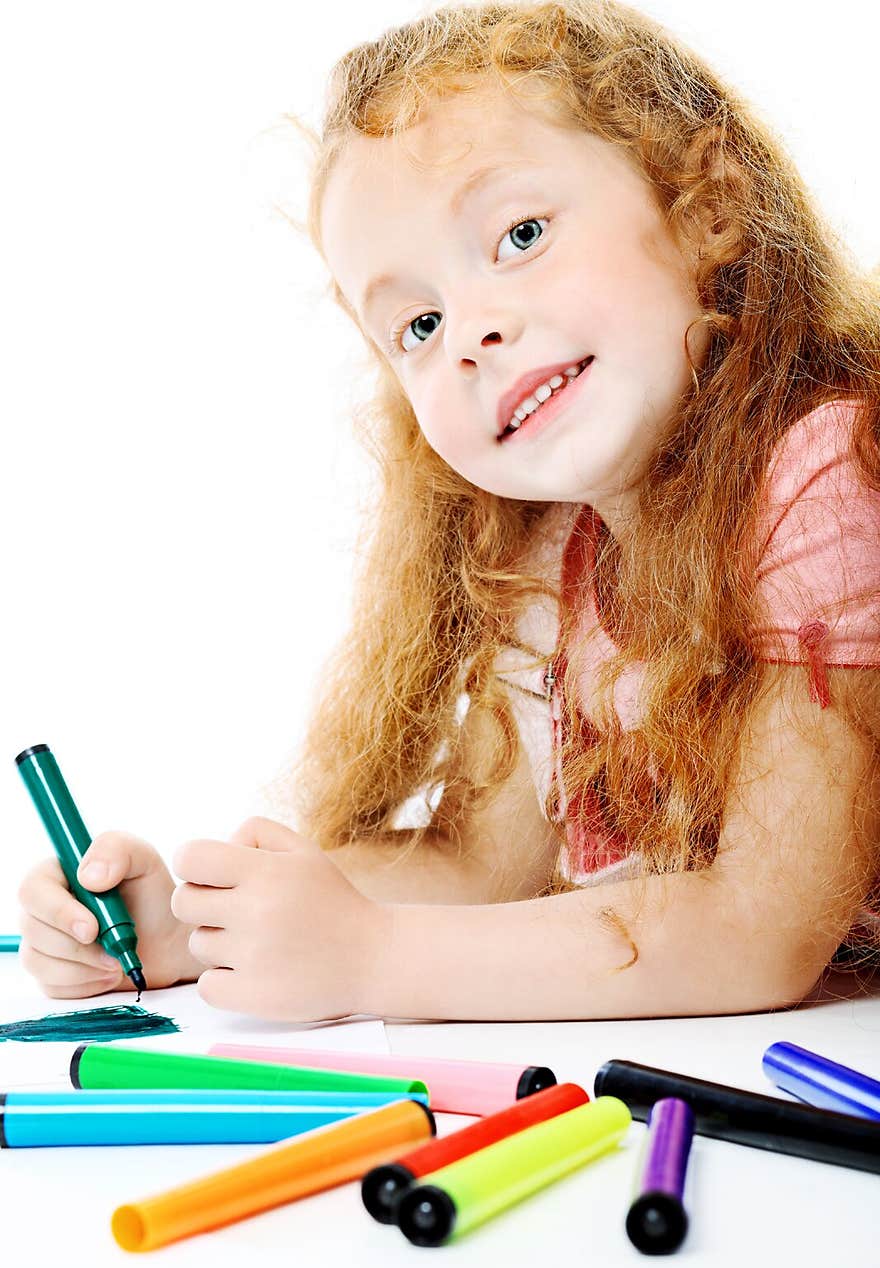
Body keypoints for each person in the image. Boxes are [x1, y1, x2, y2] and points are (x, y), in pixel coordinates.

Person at [16, 0, 880, 1023]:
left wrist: (374, 959)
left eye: (519, 235)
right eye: (417, 322)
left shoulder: (829, 473)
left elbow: (758, 931)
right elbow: (479, 862)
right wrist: (190, 927)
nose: (468, 332)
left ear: (706, 204)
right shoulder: (556, 555)